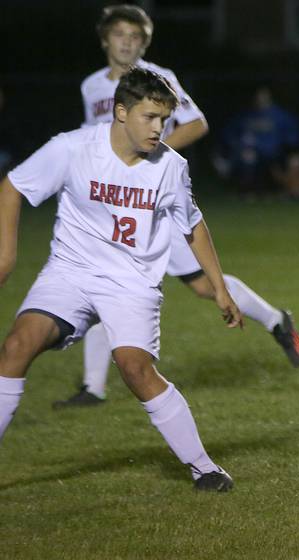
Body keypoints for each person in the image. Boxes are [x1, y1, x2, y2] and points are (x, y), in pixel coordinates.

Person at [54, 4, 299, 409]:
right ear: (105, 40)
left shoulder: (159, 79)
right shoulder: (91, 87)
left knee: (206, 285)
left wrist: (150, 154)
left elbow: (196, 123)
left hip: (156, 203)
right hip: (115, 205)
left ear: (144, 42)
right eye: (120, 35)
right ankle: (93, 388)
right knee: (104, 282)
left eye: (136, 37)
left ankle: (277, 320)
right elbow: (93, 141)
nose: (127, 43)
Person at [0, 68, 239, 491]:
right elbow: (12, 186)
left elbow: (193, 225)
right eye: (150, 117)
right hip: (70, 271)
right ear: (121, 111)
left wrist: (220, 289)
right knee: (17, 346)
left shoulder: (169, 166)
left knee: (135, 369)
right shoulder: (72, 148)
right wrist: (6, 257)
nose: (159, 128)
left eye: (164, 119)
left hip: (131, 281)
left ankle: (204, 467)